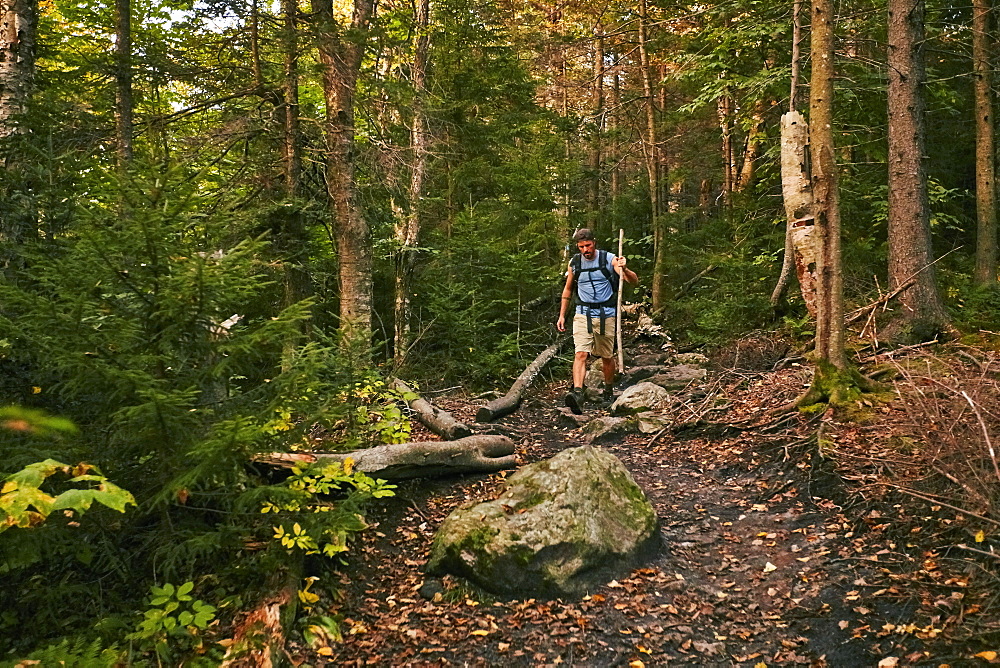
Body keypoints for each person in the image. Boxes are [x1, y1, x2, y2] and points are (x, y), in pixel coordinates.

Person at [556, 228, 638, 414]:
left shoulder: (609, 259)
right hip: (582, 313)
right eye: (582, 246)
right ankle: (577, 392)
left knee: (606, 356)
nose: (586, 249)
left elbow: (632, 281)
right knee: (581, 354)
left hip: (606, 313)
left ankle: (608, 390)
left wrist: (624, 268)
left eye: (588, 245)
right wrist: (562, 315)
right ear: (578, 247)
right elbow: (568, 290)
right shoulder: (574, 263)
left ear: (595, 242)